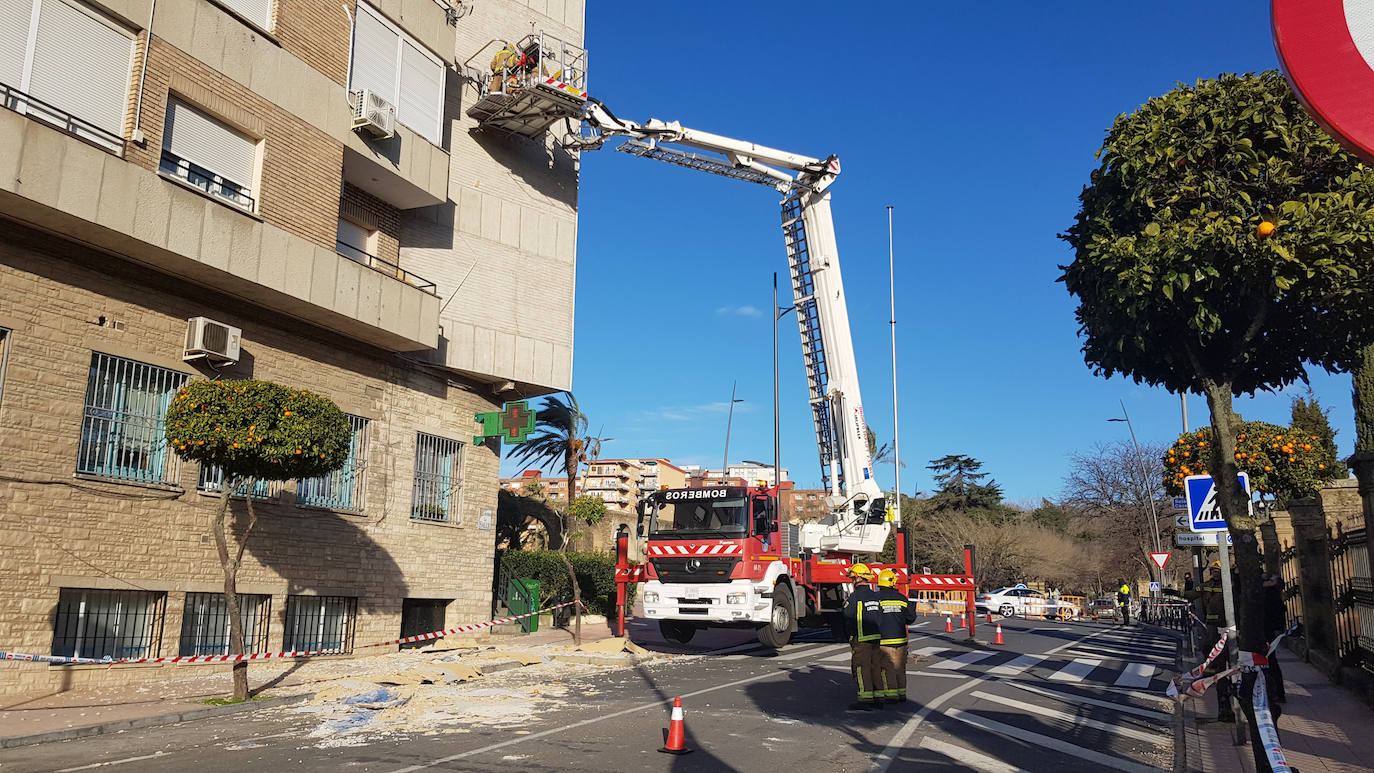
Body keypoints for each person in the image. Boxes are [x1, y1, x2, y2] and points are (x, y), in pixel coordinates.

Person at [1189, 563, 1235, 723]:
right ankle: (1224, 705)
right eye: (1213, 571)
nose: (1215, 574)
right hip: (1213, 628)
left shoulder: (1231, 585)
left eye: (1218, 571)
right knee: (1211, 653)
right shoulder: (1207, 585)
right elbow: (1192, 594)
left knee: (1231, 663)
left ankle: (1232, 704)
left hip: (1230, 629)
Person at [873, 569, 918, 704]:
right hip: (901, 641)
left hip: (884, 641)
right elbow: (910, 618)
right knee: (900, 668)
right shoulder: (902, 599)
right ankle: (901, 694)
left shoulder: (876, 599)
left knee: (887, 669)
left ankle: (891, 695)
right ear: (893, 582)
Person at [842, 563, 882, 710]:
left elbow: (847, 615)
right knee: (876, 667)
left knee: (861, 668)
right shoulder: (876, 596)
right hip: (876, 638)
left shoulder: (854, 598)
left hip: (861, 639)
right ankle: (879, 697)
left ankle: (865, 699)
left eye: (852, 578)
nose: (852, 581)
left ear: (857, 578)